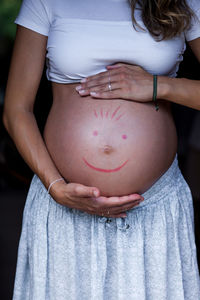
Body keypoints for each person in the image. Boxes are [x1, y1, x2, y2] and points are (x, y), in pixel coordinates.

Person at [3, 0, 200, 299]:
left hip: (153, 207)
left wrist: (160, 86)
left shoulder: (182, 2)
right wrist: (55, 186)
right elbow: (16, 109)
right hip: (63, 206)